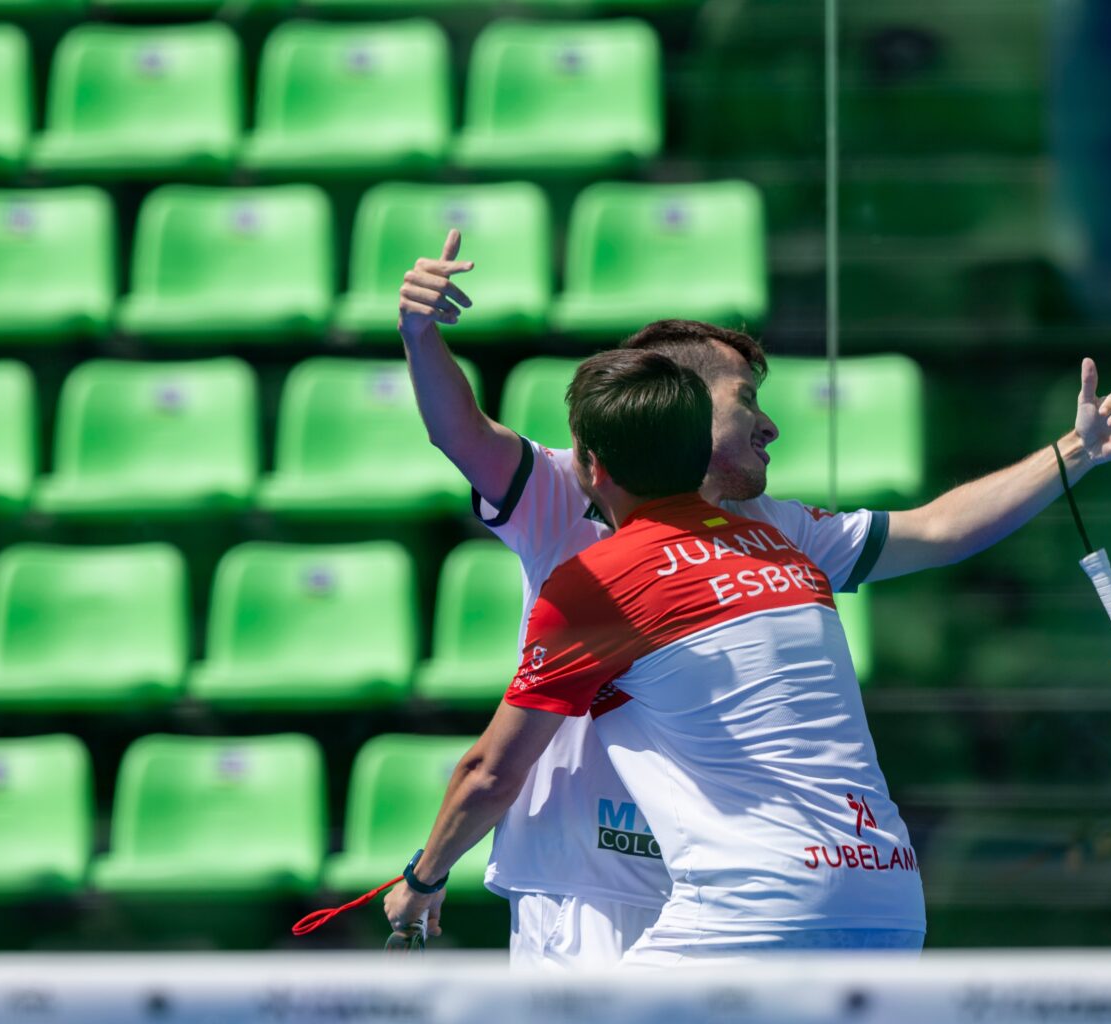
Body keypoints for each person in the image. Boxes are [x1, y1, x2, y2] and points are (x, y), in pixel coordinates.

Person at [390, 229, 1111, 966]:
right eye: (747, 399)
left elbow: (938, 528)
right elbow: (460, 430)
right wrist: (421, 334)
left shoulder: (778, 528)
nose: (770, 425)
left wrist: (1073, 452)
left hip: (717, 879)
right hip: (580, 878)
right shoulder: (569, 484)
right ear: (682, 402)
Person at [381, 349, 926, 962]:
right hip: (889, 887)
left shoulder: (599, 581)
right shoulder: (785, 553)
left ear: (591, 465)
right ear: (702, 452)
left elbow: (490, 772)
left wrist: (421, 878)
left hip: (749, 898)